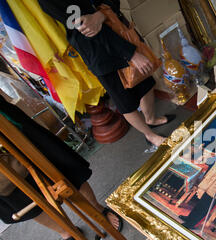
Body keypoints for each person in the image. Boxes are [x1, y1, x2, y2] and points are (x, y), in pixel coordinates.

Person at [0, 94, 121, 240]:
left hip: (8, 126)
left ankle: (96, 208)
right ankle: (66, 232)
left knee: (63, 171)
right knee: (22, 202)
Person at [37, 0, 176, 147]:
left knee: (145, 81)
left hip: (119, 30)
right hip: (98, 50)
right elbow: (88, 29)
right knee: (124, 100)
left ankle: (151, 118)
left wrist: (101, 14)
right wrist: (131, 54)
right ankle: (150, 135)